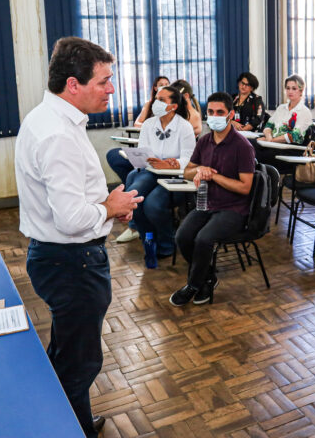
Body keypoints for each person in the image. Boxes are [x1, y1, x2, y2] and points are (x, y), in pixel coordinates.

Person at [15, 37, 143, 437]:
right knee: (80, 363)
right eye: (104, 81)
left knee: (68, 352)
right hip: (71, 262)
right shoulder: (57, 135)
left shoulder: (51, 119)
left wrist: (104, 204)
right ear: (73, 84)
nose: (111, 89)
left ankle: (75, 419)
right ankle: (71, 429)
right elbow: (71, 219)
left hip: (60, 259)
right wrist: (111, 206)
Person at [170, 92, 255, 306]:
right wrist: (200, 169)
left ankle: (193, 285)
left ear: (231, 115)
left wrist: (214, 175)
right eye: (210, 112)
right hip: (207, 203)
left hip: (233, 209)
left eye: (220, 112)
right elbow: (187, 172)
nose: (214, 116)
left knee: (204, 239)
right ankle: (208, 276)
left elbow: (245, 188)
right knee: (182, 236)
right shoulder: (205, 141)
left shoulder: (242, 146)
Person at [124, 85, 196, 258]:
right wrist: (150, 160)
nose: (156, 102)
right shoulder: (148, 124)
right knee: (134, 199)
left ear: (173, 106)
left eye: (162, 100)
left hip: (177, 177)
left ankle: (166, 245)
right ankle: (149, 241)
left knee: (153, 205)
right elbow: (142, 151)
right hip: (151, 172)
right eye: (157, 98)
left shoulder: (184, 127)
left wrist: (172, 164)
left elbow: (190, 159)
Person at [105, 74, 170, 235]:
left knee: (136, 179)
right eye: (160, 84)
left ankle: (134, 225)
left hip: (161, 161)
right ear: (155, 88)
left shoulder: (173, 111)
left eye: (166, 84)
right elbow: (137, 123)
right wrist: (149, 125)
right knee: (115, 156)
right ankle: (135, 218)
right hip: (146, 155)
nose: (163, 86)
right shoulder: (150, 105)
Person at [262, 75, 313, 144]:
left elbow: (294, 136)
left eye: (294, 88)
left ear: (301, 91)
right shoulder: (281, 108)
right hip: (273, 143)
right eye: (288, 88)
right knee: (252, 144)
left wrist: (270, 141)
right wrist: (268, 138)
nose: (290, 91)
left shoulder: (304, 112)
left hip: (290, 147)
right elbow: (268, 125)